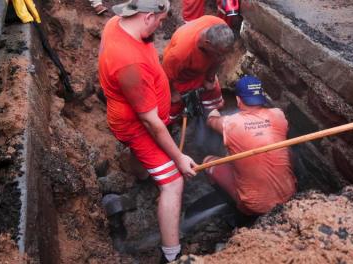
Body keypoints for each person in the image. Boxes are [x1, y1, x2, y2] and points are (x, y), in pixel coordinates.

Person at [98, 0, 197, 262]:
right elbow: (151, 123)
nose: (161, 26)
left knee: (145, 160)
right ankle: (171, 255)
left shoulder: (115, 24)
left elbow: (104, 54)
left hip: (137, 119)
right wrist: (179, 159)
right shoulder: (128, 63)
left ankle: (142, 173)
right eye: (161, 20)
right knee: (174, 182)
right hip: (138, 128)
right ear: (147, 16)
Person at [203, 76, 297, 215]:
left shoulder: (229, 124)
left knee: (207, 162)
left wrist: (209, 108)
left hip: (254, 207)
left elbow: (211, 120)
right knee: (284, 148)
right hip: (289, 196)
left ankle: (234, 206)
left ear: (238, 100)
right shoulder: (279, 115)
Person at [162, 15, 234, 123]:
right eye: (218, 53)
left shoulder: (219, 25)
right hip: (181, 77)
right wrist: (172, 92)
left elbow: (218, 60)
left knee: (214, 97)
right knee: (173, 109)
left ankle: (212, 119)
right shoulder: (180, 54)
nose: (221, 57)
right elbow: (166, 75)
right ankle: (176, 123)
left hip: (202, 72)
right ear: (207, 43)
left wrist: (210, 78)